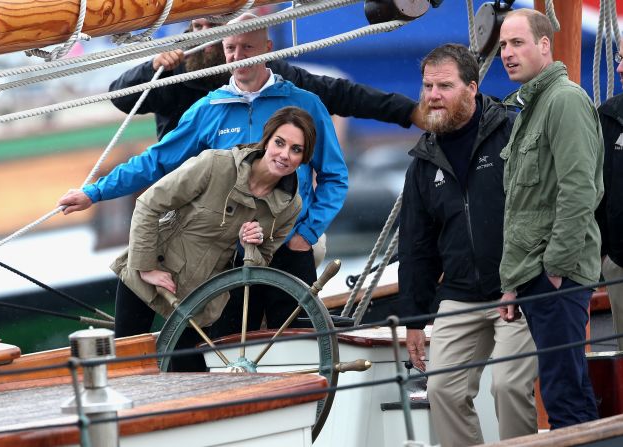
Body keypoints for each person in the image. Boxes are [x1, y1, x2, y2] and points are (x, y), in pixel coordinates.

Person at [59, 14, 348, 335]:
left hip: (287, 243)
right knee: (231, 343)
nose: (238, 57)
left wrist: (306, 234)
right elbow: (156, 161)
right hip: (227, 256)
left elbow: (334, 176)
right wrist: (93, 193)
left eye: (248, 48)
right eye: (231, 48)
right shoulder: (209, 109)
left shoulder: (304, 104)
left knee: (298, 339)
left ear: (268, 48)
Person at [399, 43, 537, 447]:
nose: (432, 96)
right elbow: (416, 247)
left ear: (472, 88)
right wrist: (414, 321)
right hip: (459, 293)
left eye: (444, 85)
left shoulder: (513, 135)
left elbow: (540, 208)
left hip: (518, 285)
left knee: (508, 388)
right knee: (442, 391)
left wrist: (527, 275)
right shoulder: (424, 161)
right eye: (427, 86)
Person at [104, 106, 311, 370]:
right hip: (152, 270)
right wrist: (147, 268)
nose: (285, 155)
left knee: (190, 378)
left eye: (296, 149)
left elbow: (261, 265)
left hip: (201, 300)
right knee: (127, 365)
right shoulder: (215, 164)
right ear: (266, 140)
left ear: (304, 158)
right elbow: (147, 204)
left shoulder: (290, 207)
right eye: (279, 143)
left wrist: (251, 246)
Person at [497, 8, 603, 428]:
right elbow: (522, 207)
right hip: (534, 274)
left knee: (565, 391)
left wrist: (556, 269)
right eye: (503, 44)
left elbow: (580, 193)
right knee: (561, 387)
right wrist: (512, 285)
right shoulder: (530, 108)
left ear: (545, 45)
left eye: (517, 43)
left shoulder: (564, 101)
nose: (506, 52)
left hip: (557, 274)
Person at [109, 17, 425, 140]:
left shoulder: (268, 74)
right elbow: (121, 97)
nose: (200, 37)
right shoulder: (174, 74)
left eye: (211, 28)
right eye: (196, 28)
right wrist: (152, 68)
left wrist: (406, 111)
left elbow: (339, 94)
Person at [597, 41, 623, 351]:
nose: (618, 69)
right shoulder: (609, 116)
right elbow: (597, 188)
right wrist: (604, 257)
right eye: (619, 59)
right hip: (619, 262)